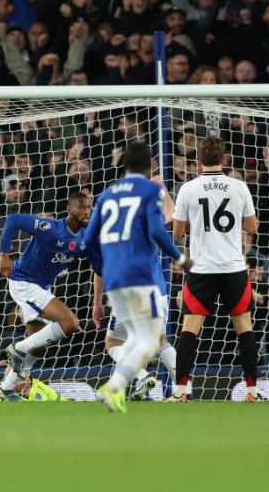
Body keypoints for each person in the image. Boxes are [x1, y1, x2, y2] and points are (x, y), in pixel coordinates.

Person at [85, 142, 192, 413]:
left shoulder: (107, 195)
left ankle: (120, 385)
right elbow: (158, 230)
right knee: (152, 340)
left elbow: (88, 239)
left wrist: (94, 258)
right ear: (149, 166)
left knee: (131, 339)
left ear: (124, 165)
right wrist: (180, 258)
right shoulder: (150, 189)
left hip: (115, 279)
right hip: (144, 277)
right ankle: (122, 386)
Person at [170, 136, 259, 402]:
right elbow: (252, 228)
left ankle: (180, 391)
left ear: (198, 160)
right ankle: (252, 391)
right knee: (244, 327)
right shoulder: (239, 186)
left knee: (189, 329)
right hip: (233, 267)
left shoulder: (188, 188)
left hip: (202, 268)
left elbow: (176, 234)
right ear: (224, 159)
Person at [0, 192, 92, 400]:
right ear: (69, 209)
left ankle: (5, 390)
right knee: (70, 323)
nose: (87, 211)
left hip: (42, 286)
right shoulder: (50, 228)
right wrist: (4, 254)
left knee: (37, 347)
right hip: (24, 281)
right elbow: (13, 220)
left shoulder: (84, 238)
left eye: (89, 208)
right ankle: (17, 348)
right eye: (82, 207)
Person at [95, 176, 179, 400]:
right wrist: (161, 187)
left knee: (113, 343)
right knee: (161, 342)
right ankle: (183, 389)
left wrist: (96, 303)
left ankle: (142, 376)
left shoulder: (109, 228)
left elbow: (100, 270)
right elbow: (172, 213)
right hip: (157, 294)